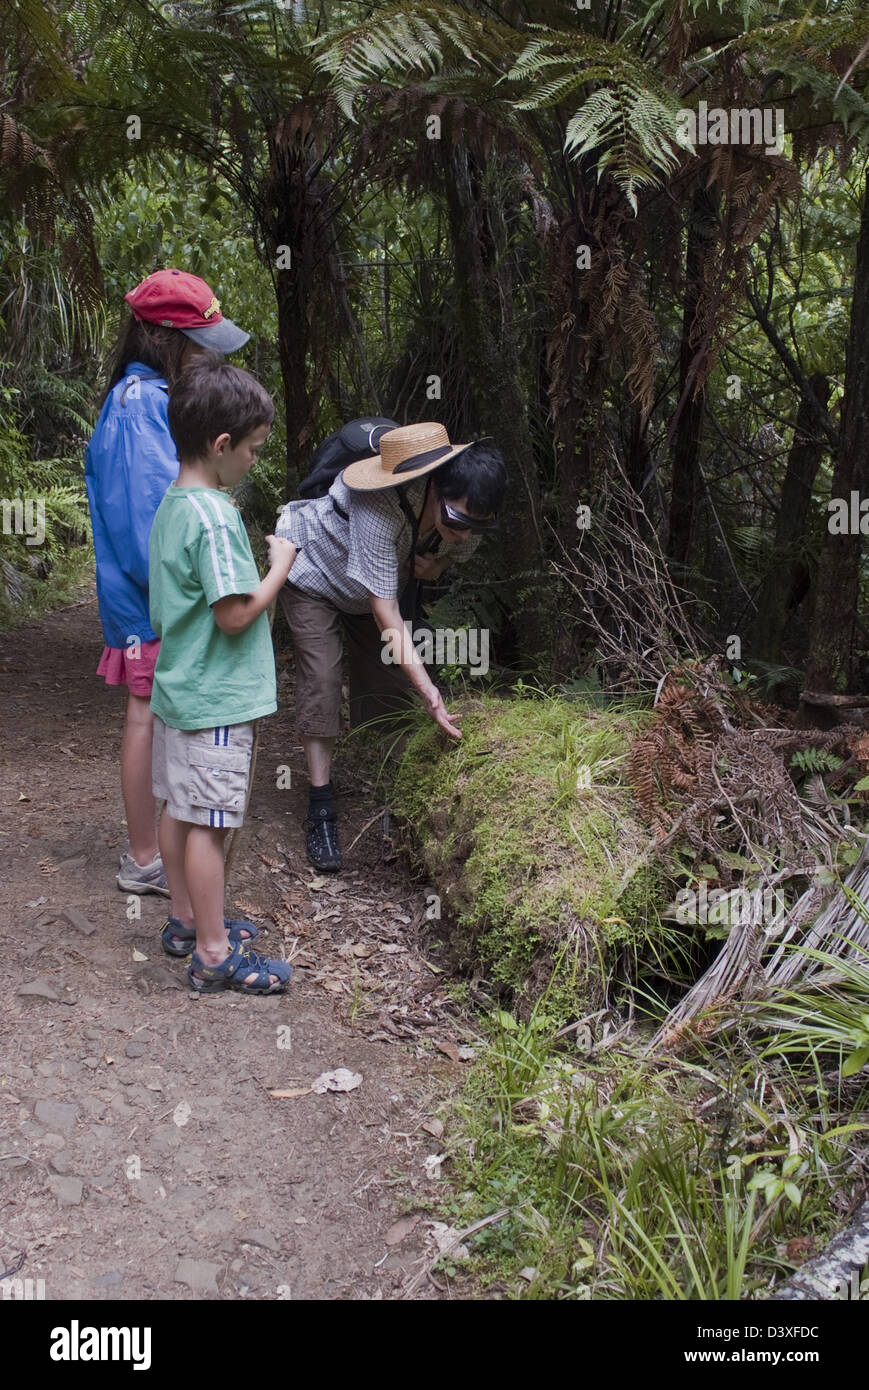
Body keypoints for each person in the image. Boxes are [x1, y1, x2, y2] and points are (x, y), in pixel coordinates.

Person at [275, 421, 506, 872]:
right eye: (456, 521)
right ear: (436, 487)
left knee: (387, 691)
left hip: (367, 589)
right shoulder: (379, 505)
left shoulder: (465, 510)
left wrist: (435, 563)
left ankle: (394, 801)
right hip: (313, 573)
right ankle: (321, 805)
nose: (463, 533)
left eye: (476, 526)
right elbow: (388, 615)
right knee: (322, 680)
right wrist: (431, 693)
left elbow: (454, 554)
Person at [84, 268, 250, 897]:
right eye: (202, 340)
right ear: (166, 337)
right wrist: (194, 592)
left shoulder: (149, 397)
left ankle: (158, 854)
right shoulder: (137, 406)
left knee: (150, 716)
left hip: (153, 599)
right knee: (145, 717)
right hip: (150, 602)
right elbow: (142, 527)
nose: (210, 352)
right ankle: (146, 858)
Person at [148, 353, 298, 992]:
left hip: (180, 691)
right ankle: (213, 954)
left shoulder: (175, 503)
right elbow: (235, 615)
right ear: (221, 444)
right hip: (215, 699)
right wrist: (280, 567)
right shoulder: (216, 517)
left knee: (178, 809)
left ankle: (185, 919)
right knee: (211, 822)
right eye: (255, 450)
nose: (256, 462)